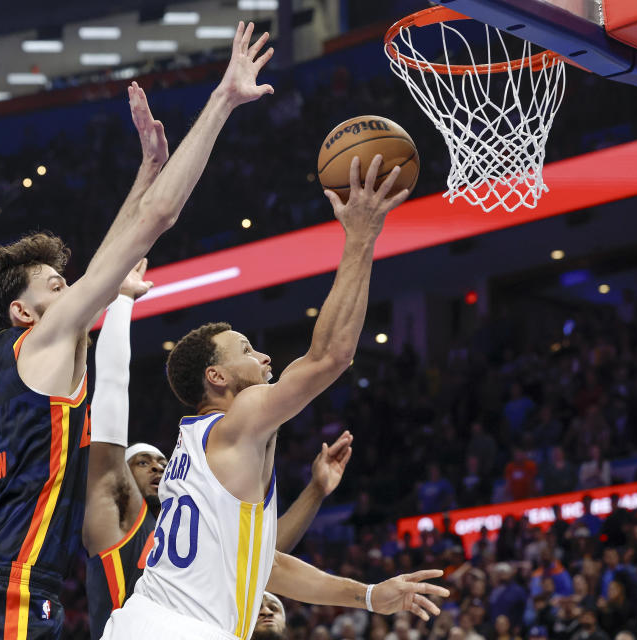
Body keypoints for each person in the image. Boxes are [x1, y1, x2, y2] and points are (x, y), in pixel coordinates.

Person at [0, 19, 271, 636]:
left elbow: (112, 260)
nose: (78, 290)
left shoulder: (9, 360)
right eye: (58, 287)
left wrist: (145, 171)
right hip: (10, 597)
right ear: (23, 313)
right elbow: (158, 220)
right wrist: (223, 99)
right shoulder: (45, 342)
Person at [104, 101, 446, 637]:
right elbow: (331, 357)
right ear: (215, 378)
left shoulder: (207, 451)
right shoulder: (236, 422)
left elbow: (271, 565)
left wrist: (369, 595)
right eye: (244, 348)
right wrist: (360, 237)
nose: (263, 356)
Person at [82, 273, 355, 639]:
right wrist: (122, 302)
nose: (157, 467)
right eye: (142, 462)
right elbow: (111, 400)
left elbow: (261, 557)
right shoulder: (118, 524)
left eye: (159, 461)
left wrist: (316, 491)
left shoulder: (194, 489)